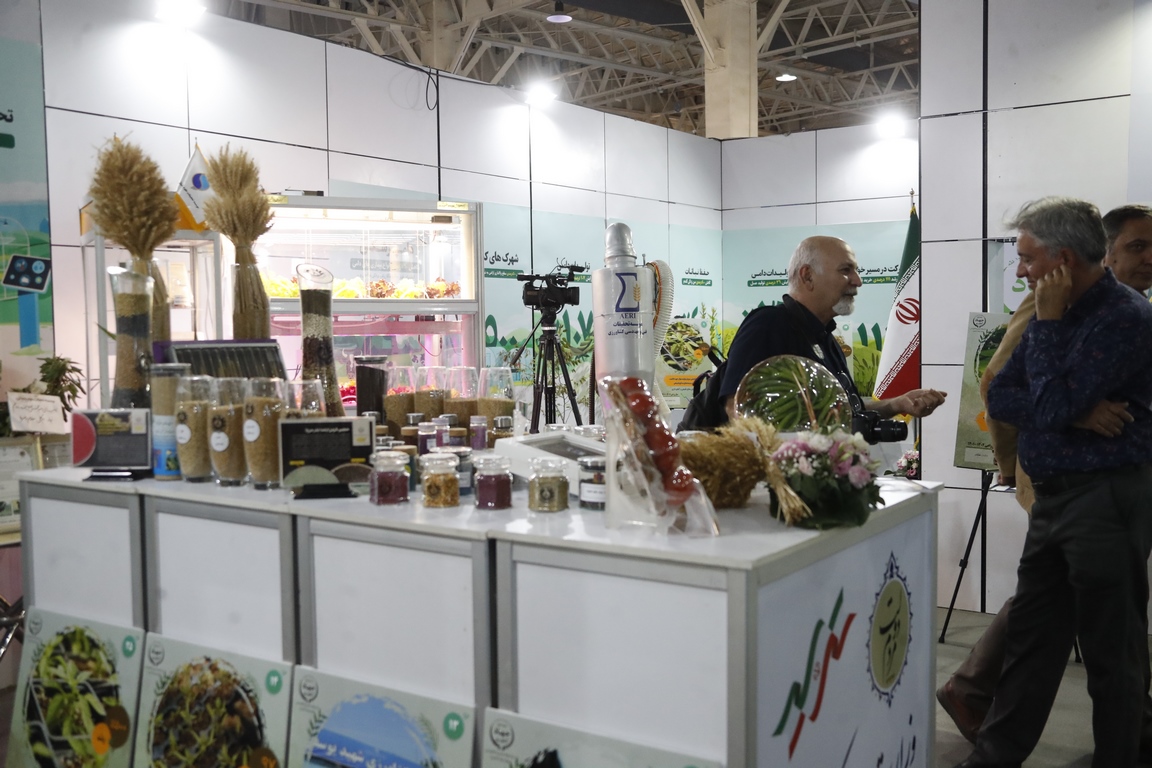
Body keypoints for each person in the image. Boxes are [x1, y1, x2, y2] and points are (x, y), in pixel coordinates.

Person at [938, 203, 1152, 745]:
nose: (1020, 271)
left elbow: (1045, 403)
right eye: (1138, 246)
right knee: (1034, 639)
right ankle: (991, 746)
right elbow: (1001, 393)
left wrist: (1059, 393)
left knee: (1110, 652)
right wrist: (1074, 410)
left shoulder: (1123, 315)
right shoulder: (1048, 306)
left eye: (1027, 259)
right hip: (1056, 496)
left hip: (1104, 499)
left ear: (1063, 259)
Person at [718, 235, 946, 423]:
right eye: (846, 270)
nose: (857, 281)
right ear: (808, 276)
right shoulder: (768, 325)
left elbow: (847, 410)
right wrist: (795, 458)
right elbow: (736, 409)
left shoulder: (827, 338)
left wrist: (897, 404)